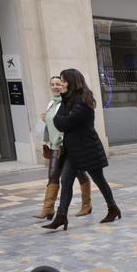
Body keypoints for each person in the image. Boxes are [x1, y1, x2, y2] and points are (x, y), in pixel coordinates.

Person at [43, 69, 121, 230]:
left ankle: (113, 208)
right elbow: (59, 121)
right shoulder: (68, 100)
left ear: (72, 82)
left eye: (63, 81)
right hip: (73, 150)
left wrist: (62, 117)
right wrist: (63, 103)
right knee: (66, 181)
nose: (61, 84)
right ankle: (61, 216)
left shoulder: (82, 101)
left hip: (87, 148)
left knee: (99, 180)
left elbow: (64, 123)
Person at [33, 76, 91, 220]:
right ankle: (48, 209)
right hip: (54, 146)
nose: (55, 87)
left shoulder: (67, 102)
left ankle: (86, 204)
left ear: (64, 86)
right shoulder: (51, 102)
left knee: (79, 174)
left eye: (58, 84)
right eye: (52, 84)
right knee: (53, 175)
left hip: (68, 146)